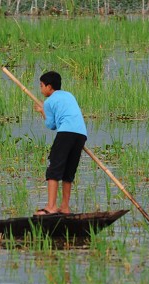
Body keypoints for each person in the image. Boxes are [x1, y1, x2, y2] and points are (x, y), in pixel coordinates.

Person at [33, 71, 87, 216]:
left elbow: (52, 125)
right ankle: (65, 208)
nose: (41, 89)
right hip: (81, 134)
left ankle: (51, 207)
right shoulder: (69, 95)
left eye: (41, 86)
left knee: (54, 170)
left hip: (66, 134)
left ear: (49, 87)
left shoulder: (49, 102)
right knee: (68, 172)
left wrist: (42, 111)